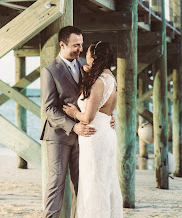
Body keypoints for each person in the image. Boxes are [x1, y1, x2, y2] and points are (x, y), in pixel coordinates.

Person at [40, 26, 114, 218]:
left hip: (86, 137)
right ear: (62, 44)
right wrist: (73, 125)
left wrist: (107, 117)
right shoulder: (49, 70)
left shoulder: (87, 64)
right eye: (75, 45)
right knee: (56, 182)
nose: (80, 49)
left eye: (81, 45)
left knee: (83, 182)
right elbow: (49, 108)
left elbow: (100, 96)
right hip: (59, 135)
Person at [63, 41, 123, 217]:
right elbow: (108, 110)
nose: (85, 56)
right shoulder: (111, 78)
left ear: (94, 57)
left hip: (94, 136)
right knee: (106, 179)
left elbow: (88, 117)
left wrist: (74, 112)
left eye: (88, 53)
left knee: (94, 181)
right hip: (107, 133)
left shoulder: (98, 82)